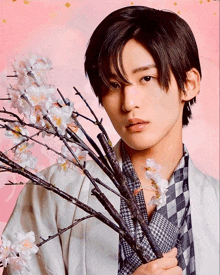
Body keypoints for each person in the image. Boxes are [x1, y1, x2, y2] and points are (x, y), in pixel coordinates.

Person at [2, 5, 219, 275]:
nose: (129, 103)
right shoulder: (52, 192)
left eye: (147, 78)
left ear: (189, 84)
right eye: (114, 85)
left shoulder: (216, 203)